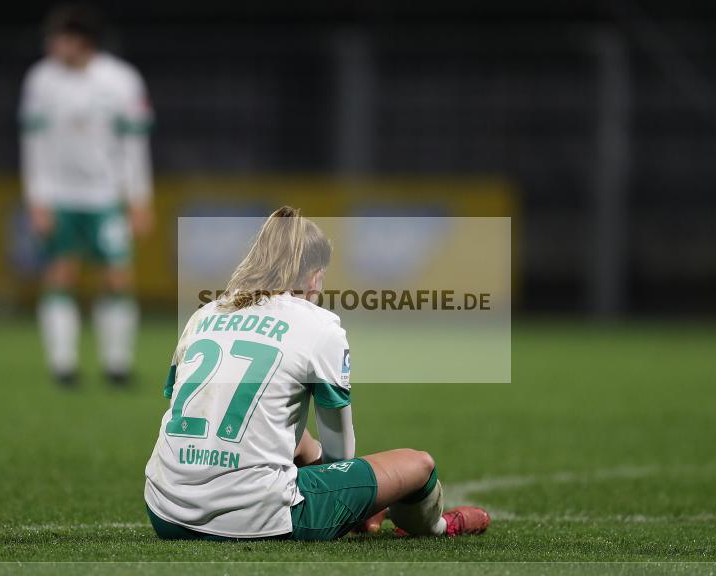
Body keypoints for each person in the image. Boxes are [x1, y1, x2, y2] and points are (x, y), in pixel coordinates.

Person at [144, 206, 490, 540]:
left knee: (302, 442)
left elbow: (186, 406)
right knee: (419, 465)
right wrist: (358, 500)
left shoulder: (204, 314)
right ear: (315, 275)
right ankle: (439, 526)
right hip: (256, 517)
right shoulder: (320, 326)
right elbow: (340, 455)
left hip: (166, 510)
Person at [19, 4, 153, 386]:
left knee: (117, 277)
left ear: (83, 41)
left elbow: (134, 145)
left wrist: (139, 198)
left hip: (107, 196)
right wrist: (37, 199)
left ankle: (117, 365)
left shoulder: (122, 80)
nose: (52, 45)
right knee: (61, 273)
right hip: (60, 196)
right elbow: (33, 144)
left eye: (60, 37)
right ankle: (63, 366)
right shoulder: (41, 79)